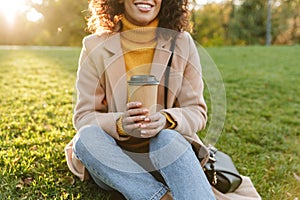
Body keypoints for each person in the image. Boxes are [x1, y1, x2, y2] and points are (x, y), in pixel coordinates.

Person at [65, 0, 261, 200]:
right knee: (86, 139)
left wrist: (167, 120)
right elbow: (84, 116)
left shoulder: (182, 43)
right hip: (117, 161)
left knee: (167, 138)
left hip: (169, 155)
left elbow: (197, 112)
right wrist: (121, 124)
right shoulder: (94, 45)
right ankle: (159, 197)